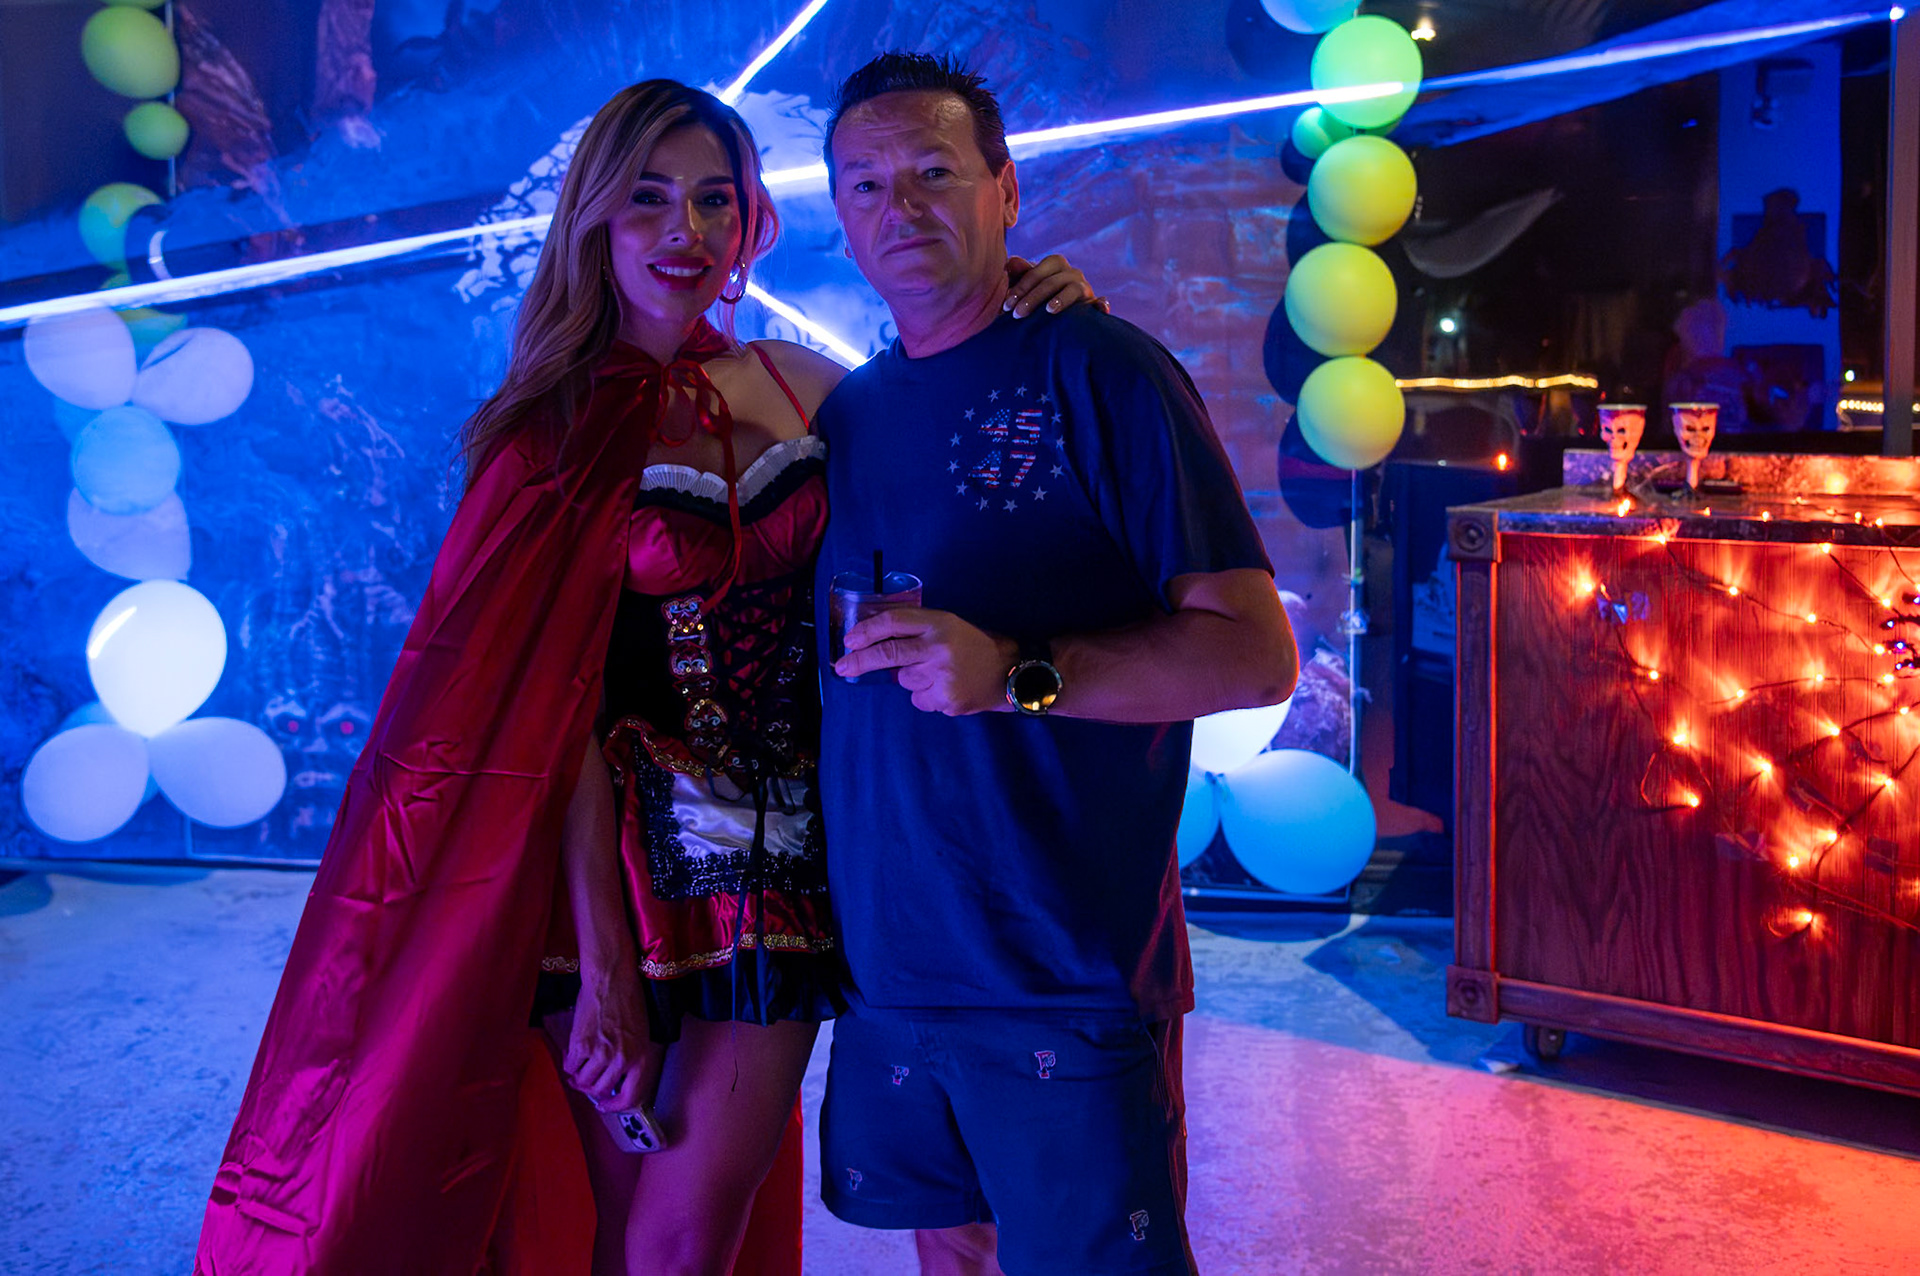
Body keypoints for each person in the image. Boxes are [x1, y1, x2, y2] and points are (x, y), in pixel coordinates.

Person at [194, 79, 1096, 1276]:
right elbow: (539, 716)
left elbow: (956, 419)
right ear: (596, 220)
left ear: (749, 219)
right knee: (609, 1238)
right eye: (650, 200)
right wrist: (607, 961)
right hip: (600, 884)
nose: (686, 231)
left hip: (786, 875)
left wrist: (1035, 309)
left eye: (714, 200)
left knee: (685, 1238)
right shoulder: (545, 434)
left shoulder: (808, 387)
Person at [811, 54, 1299, 1276]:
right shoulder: (845, 416)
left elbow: (1255, 655)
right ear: (840, 217)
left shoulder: (1103, 371)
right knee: (952, 1256)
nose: (899, 207)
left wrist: (1019, 670)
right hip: (892, 960)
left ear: (1006, 191)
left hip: (1061, 958)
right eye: (866, 184)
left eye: (934, 172)